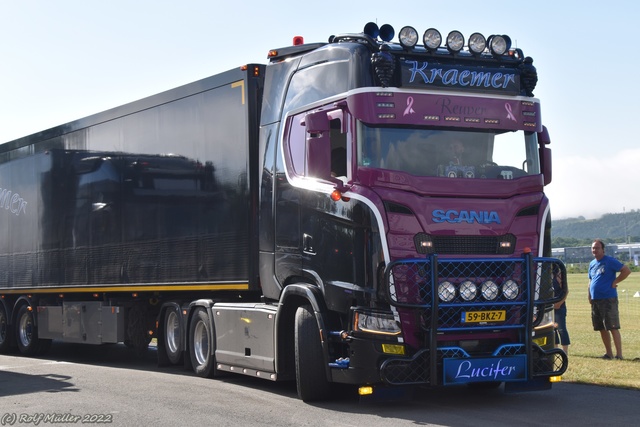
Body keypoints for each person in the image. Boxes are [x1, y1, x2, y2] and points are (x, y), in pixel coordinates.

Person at [588, 238, 631, 360]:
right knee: (601, 327)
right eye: (593, 248)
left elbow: (626, 270)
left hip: (608, 298)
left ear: (603, 249)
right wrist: (589, 295)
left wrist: (615, 281)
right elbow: (590, 281)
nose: (594, 250)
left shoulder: (610, 261)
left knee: (612, 326)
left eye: (597, 248)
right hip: (596, 299)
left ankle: (619, 355)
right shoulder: (592, 264)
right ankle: (609, 353)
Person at [553, 264, 570, 353]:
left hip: (559, 307)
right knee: (552, 329)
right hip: (549, 307)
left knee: (561, 328)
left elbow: (566, 291)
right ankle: (555, 348)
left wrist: (559, 303)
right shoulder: (545, 276)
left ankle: (565, 350)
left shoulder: (559, 275)